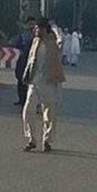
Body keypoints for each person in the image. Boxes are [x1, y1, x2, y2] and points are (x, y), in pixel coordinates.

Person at [22, 19, 66, 152]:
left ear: (44, 29)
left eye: (38, 28)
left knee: (49, 114)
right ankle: (31, 139)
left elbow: (61, 39)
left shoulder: (53, 42)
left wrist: (54, 26)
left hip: (49, 82)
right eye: (35, 29)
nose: (35, 31)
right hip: (34, 82)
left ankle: (47, 140)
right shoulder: (35, 41)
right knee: (28, 110)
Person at [13, 16, 36, 106]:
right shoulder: (22, 35)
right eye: (30, 24)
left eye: (33, 24)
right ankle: (21, 99)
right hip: (23, 60)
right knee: (20, 79)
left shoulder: (38, 35)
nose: (31, 26)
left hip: (33, 60)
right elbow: (16, 45)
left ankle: (31, 101)